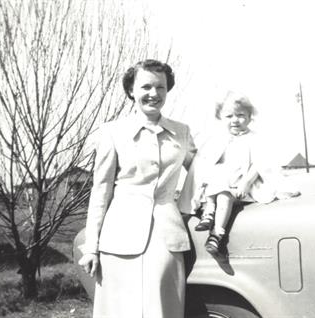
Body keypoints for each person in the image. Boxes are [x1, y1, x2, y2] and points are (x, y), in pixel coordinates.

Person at [77, 59, 196, 318]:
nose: (154, 94)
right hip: (118, 239)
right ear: (131, 90)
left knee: (163, 311)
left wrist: (187, 206)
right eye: (146, 87)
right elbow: (101, 191)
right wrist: (91, 247)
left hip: (166, 238)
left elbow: (202, 169)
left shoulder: (182, 132)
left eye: (160, 87)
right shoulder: (112, 132)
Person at [178, 91, 299, 256]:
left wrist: (246, 182)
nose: (235, 120)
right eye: (229, 116)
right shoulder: (217, 140)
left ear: (250, 117)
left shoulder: (254, 139)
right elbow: (202, 166)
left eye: (240, 115)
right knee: (215, 187)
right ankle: (208, 213)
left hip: (240, 186)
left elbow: (260, 164)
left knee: (224, 196)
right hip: (216, 186)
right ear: (221, 118)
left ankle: (216, 234)